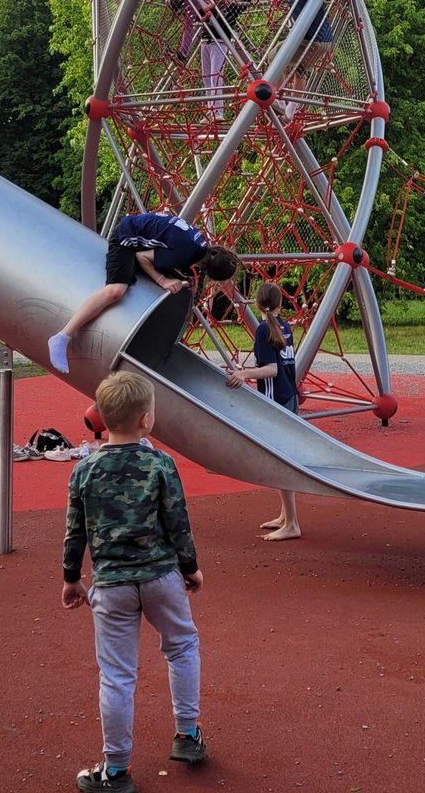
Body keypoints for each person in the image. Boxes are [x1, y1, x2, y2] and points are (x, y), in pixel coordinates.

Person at [62, 371, 208, 791]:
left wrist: (71, 578)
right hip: (161, 575)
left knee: (116, 674)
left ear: (101, 418)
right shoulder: (160, 464)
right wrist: (190, 567)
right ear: (146, 420)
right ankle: (187, 734)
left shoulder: (84, 471)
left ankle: (116, 769)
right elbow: (177, 521)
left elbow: (76, 531)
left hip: (110, 584)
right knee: (181, 647)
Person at [49, 213, 238, 374]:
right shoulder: (185, 252)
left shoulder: (199, 245)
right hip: (126, 239)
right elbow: (142, 257)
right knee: (116, 291)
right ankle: (62, 336)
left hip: (139, 234)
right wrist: (163, 281)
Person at [224, 281, 302, 541]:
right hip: (289, 395)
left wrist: (243, 373)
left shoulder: (262, 330)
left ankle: (292, 523)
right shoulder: (284, 326)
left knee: (279, 461)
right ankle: (285, 514)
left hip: (275, 400)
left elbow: (271, 369)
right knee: (282, 457)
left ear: (256, 304)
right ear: (280, 304)